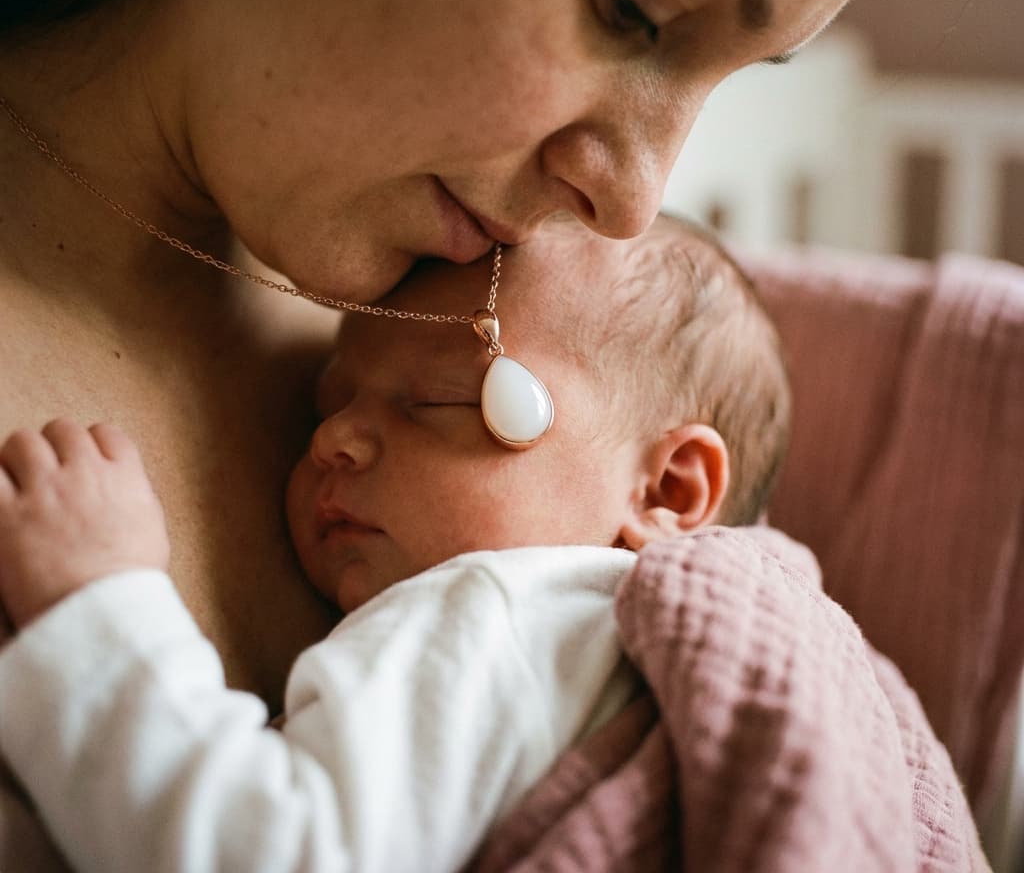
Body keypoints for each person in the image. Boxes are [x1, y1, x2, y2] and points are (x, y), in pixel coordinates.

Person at [0, 0, 996, 867]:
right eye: (635, 6)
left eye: (727, 74)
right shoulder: (434, 343)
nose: (634, 201)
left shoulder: (495, 313)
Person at [0, 217, 790, 872]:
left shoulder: (500, 607)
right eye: (328, 404)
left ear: (668, 491)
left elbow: (271, 855)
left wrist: (98, 607)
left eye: (439, 399)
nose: (336, 439)